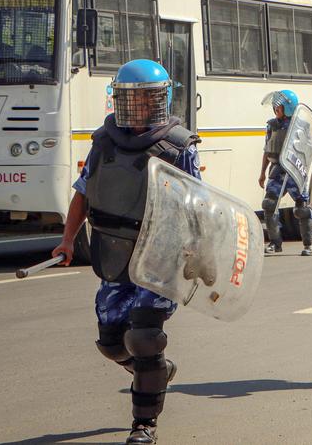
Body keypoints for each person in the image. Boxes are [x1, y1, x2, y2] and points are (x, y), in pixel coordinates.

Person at [51, 59, 202, 445]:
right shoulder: (104, 142)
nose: (139, 108)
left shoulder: (178, 146)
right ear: (118, 100)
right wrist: (68, 240)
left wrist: (198, 255)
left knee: (145, 335)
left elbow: (198, 205)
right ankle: (154, 371)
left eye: (147, 99)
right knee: (111, 342)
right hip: (116, 253)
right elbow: (83, 194)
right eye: (131, 100)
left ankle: (144, 423)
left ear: (162, 100)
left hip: (160, 257)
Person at [258, 89, 312, 256]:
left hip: (294, 170)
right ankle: (275, 243)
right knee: (269, 205)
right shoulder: (272, 125)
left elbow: (307, 150)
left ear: (288, 108)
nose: (275, 111)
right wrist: (262, 172)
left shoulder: (300, 126)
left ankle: (309, 244)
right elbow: (267, 149)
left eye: (279, 108)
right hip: (277, 170)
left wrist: (302, 171)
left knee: (302, 209)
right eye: (275, 108)